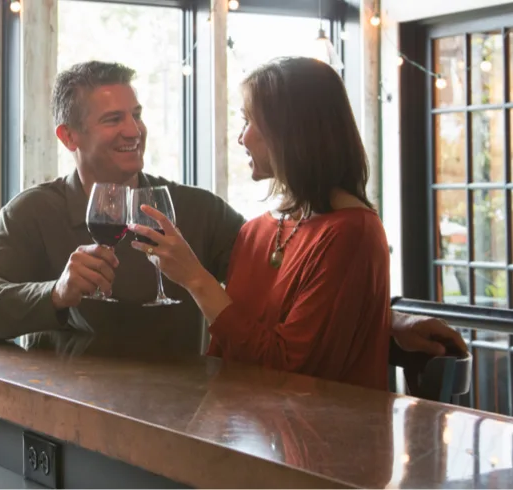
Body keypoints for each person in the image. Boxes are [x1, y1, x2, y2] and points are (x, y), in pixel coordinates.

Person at [0, 60, 465, 361]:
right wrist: (57, 293)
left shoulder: (193, 210)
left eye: (137, 114)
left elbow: (287, 286)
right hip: (76, 426)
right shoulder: (32, 212)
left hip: (187, 425)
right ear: (70, 136)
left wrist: (388, 320)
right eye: (113, 119)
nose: (133, 130)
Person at [129, 57, 389, 389]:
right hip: (245, 431)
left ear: (290, 131)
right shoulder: (255, 231)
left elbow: (288, 372)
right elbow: (226, 355)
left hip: (319, 436)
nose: (240, 138)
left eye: (248, 121)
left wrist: (195, 278)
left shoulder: (352, 234)